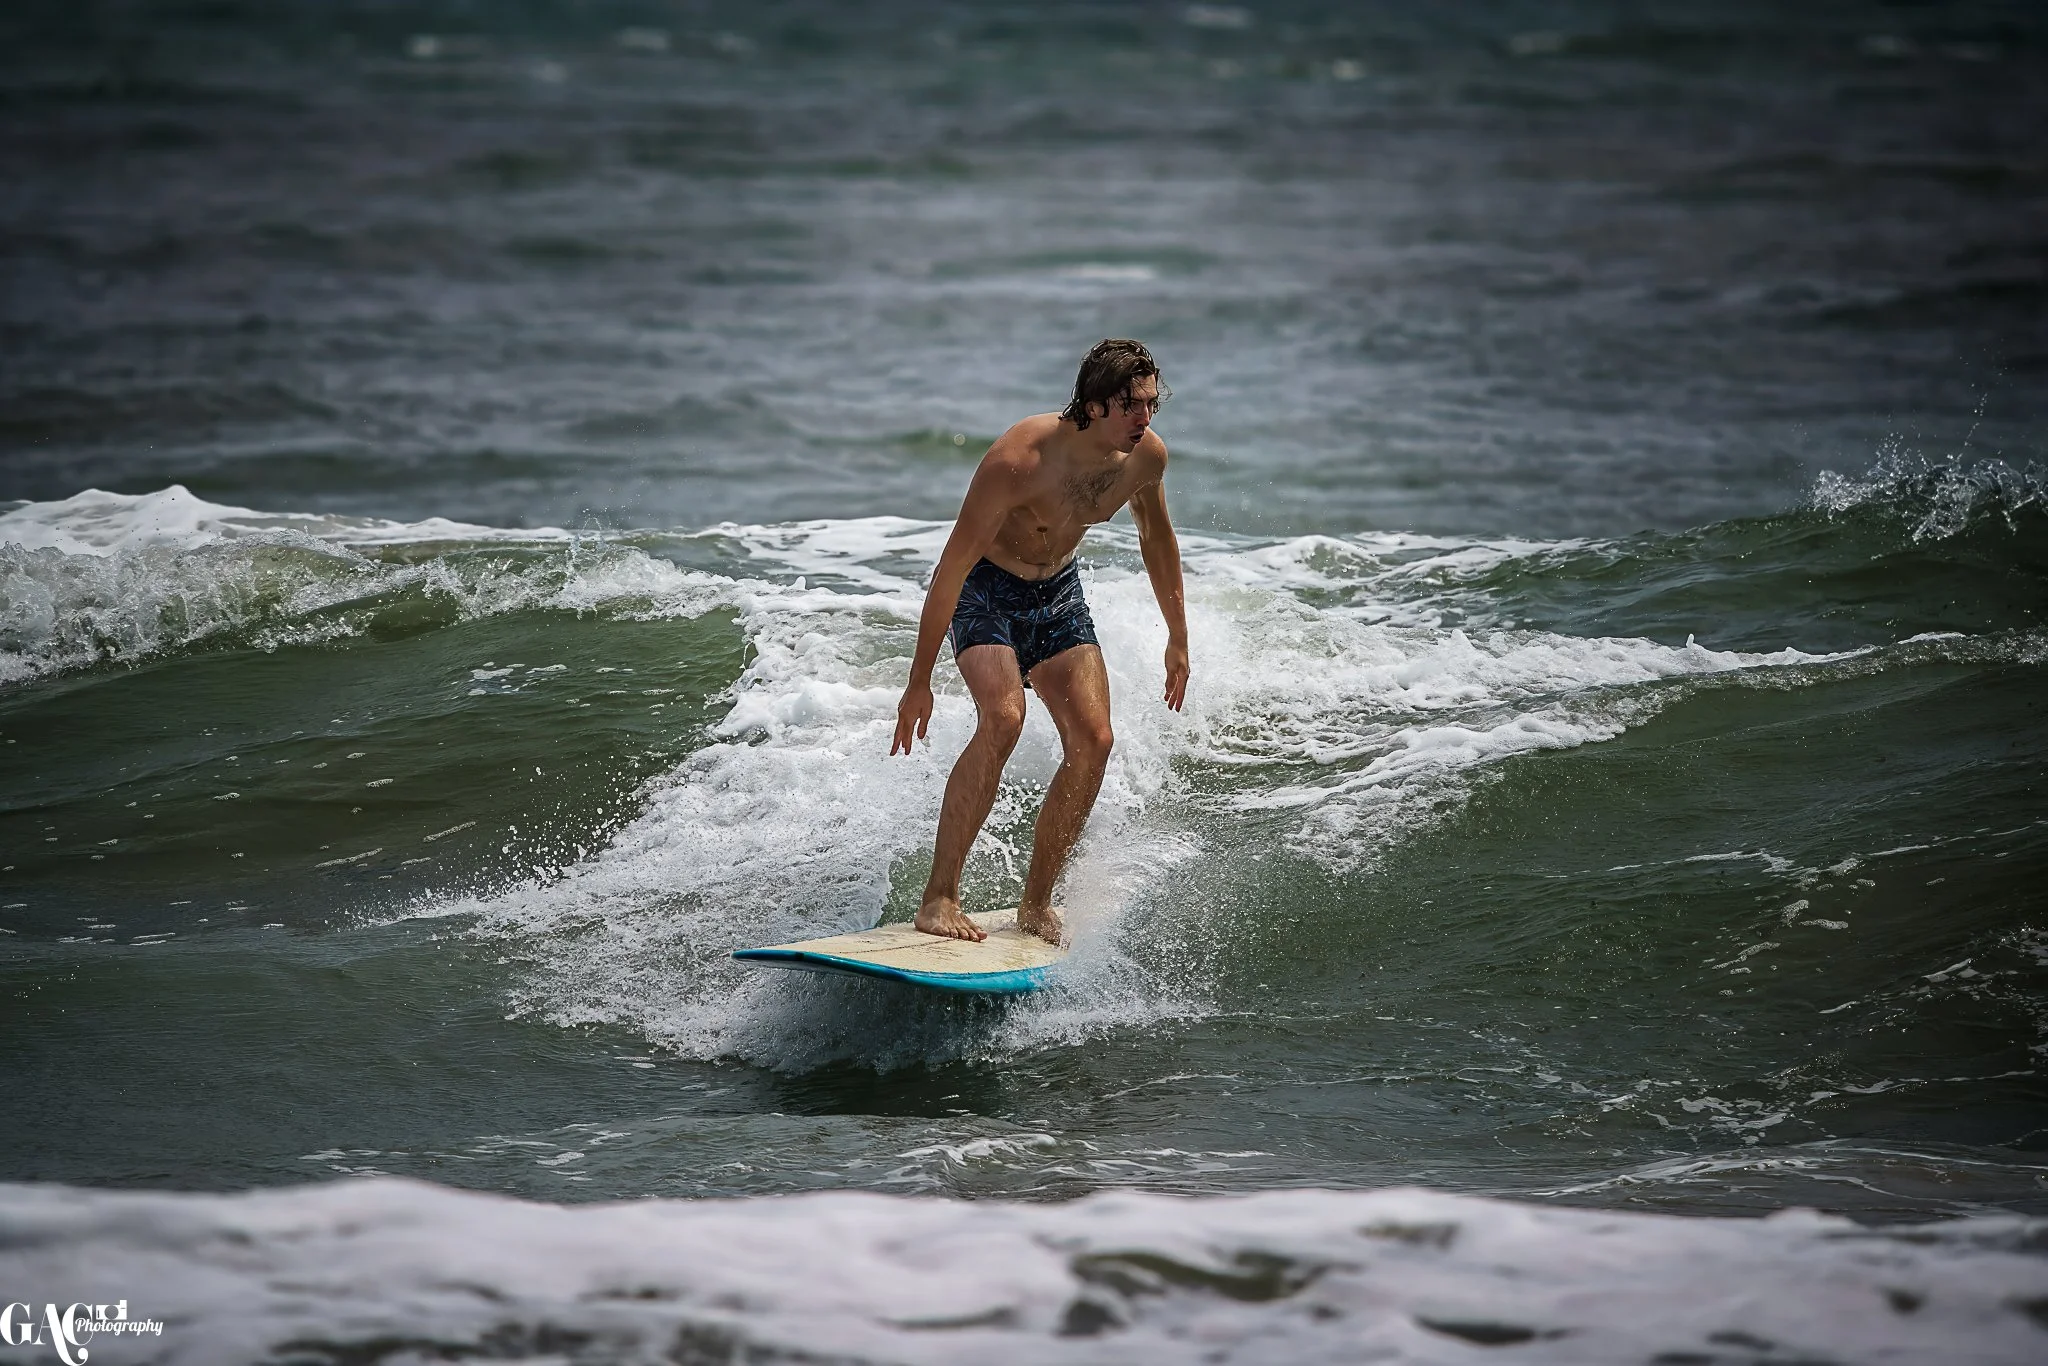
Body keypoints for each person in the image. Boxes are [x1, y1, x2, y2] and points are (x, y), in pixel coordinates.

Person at [890, 339, 1189, 944]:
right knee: (1003, 718)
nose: (1145, 419)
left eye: (1153, 404)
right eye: (1133, 405)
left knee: (1095, 739)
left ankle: (1035, 904)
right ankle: (939, 897)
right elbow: (951, 570)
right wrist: (918, 681)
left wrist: (1178, 637)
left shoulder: (1144, 458)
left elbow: (1157, 539)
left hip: (1057, 594)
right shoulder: (1019, 459)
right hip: (988, 591)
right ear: (1095, 404)